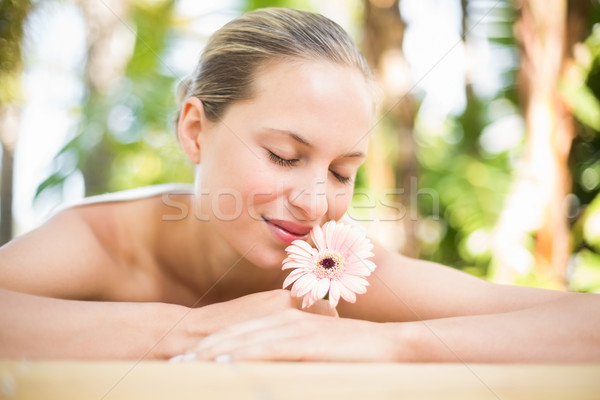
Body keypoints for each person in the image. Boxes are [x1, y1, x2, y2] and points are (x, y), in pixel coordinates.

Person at [0, 7, 598, 363]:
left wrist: (391, 345)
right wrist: (197, 328)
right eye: (284, 156)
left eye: (342, 172)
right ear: (195, 131)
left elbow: (584, 325)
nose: (316, 202)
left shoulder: (333, 267)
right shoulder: (101, 240)